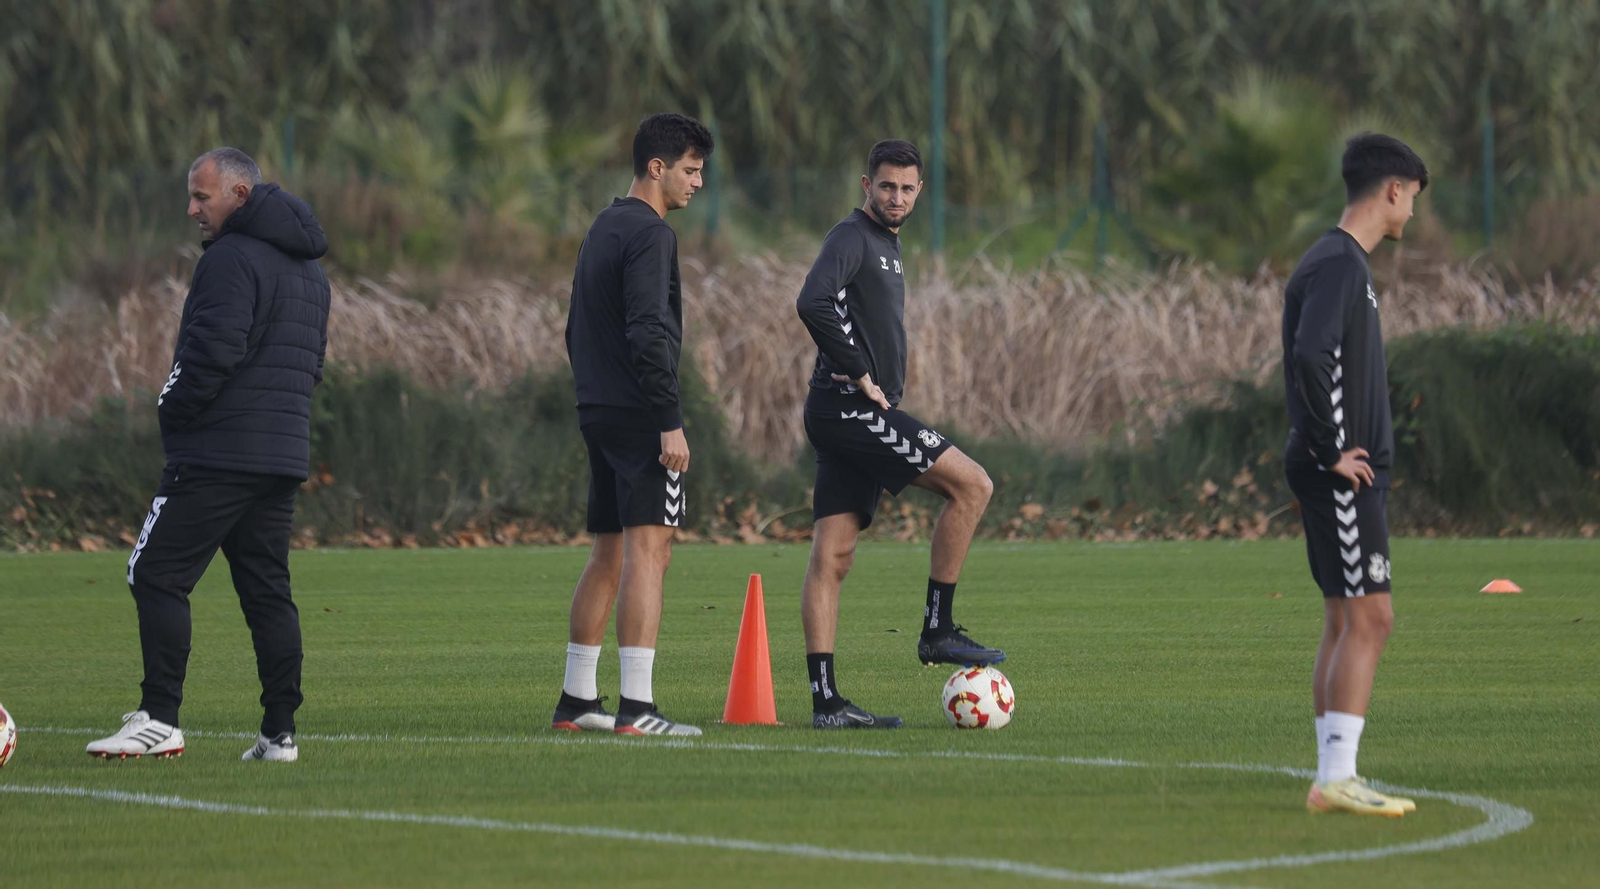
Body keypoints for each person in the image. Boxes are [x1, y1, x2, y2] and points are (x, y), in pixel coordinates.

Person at [87, 147, 331, 763]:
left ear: (240, 195)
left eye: (203, 196)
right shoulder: (310, 271)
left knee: (154, 573)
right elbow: (313, 365)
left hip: (218, 451)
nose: (193, 209)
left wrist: (170, 407)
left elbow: (211, 352)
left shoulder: (229, 257)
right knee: (267, 592)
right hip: (280, 454)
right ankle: (279, 734)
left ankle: (159, 719)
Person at [794, 139, 1004, 730]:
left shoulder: (887, 244)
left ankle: (827, 704)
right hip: (849, 410)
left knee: (833, 557)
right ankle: (937, 629)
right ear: (867, 185)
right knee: (973, 486)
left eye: (908, 189)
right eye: (887, 186)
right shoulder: (851, 237)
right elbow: (812, 301)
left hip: (843, 413)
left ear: (919, 191)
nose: (897, 197)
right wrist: (859, 369)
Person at [551, 113, 713, 737]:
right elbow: (648, 330)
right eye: (690, 170)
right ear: (657, 167)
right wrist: (668, 421)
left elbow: (575, 327)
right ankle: (637, 709)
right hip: (641, 415)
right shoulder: (651, 233)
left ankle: (576, 700)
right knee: (652, 550)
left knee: (609, 551)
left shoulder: (603, 225)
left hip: (598, 409)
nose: (697, 182)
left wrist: (594, 396)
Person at [1284, 133, 1428, 816]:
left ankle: (1330, 775)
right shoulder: (1341, 263)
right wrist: (1331, 448)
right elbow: (1310, 355)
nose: (1413, 213)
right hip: (1343, 474)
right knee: (1371, 616)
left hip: (1341, 471)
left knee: (1346, 618)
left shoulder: (1340, 261)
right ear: (1394, 189)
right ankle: (1337, 778)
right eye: (1413, 198)